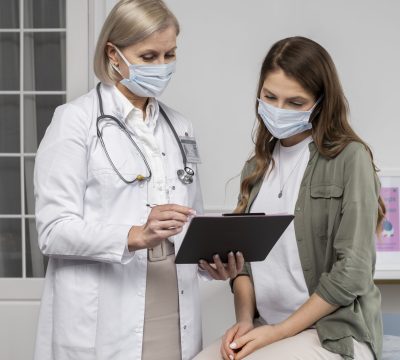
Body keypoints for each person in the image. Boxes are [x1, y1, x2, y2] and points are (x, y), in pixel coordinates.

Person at [33, 1, 242, 359]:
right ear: (114, 54)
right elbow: (53, 231)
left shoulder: (181, 128)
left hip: (173, 298)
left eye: (170, 54)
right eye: (148, 56)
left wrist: (212, 263)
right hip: (106, 307)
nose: (162, 67)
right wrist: (136, 234)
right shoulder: (74, 121)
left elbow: (191, 218)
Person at [194, 36, 385, 360]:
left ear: (320, 102)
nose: (279, 110)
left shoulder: (350, 159)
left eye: (295, 103)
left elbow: (352, 271)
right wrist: (244, 323)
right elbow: (244, 267)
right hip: (266, 326)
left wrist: (277, 332)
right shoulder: (256, 168)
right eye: (270, 97)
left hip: (330, 333)